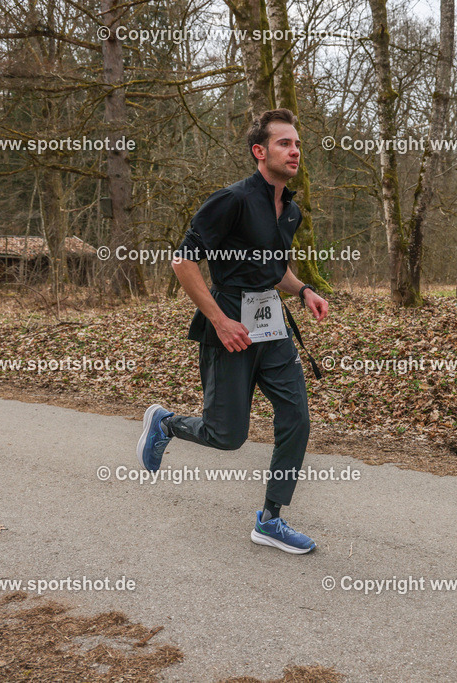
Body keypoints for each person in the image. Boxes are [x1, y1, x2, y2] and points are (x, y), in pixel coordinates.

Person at [136, 108, 328, 554]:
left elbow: (272, 268)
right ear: (260, 152)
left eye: (297, 143)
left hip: (272, 325)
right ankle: (165, 423)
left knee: (297, 418)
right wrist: (219, 322)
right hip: (230, 324)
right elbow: (183, 262)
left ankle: (270, 520)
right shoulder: (233, 200)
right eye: (284, 143)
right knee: (228, 436)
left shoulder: (291, 211)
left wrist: (303, 291)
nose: (295, 150)